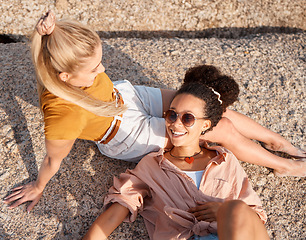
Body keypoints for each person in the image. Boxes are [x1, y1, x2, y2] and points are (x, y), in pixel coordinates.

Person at [3, 11, 305, 212]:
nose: (103, 68)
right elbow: (53, 158)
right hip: (124, 134)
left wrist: (42, 32)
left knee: (204, 102)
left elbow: (46, 51)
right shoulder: (63, 118)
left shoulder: (52, 59)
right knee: (220, 127)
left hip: (126, 97)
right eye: (95, 69)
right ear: (66, 78)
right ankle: (283, 166)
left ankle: (278, 142)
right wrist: (38, 185)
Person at [82, 71, 269, 240]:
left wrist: (223, 212)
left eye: (188, 118)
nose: (176, 124)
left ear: (205, 125)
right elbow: (122, 204)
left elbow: (256, 218)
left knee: (234, 208)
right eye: (172, 115)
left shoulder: (224, 160)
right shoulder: (152, 165)